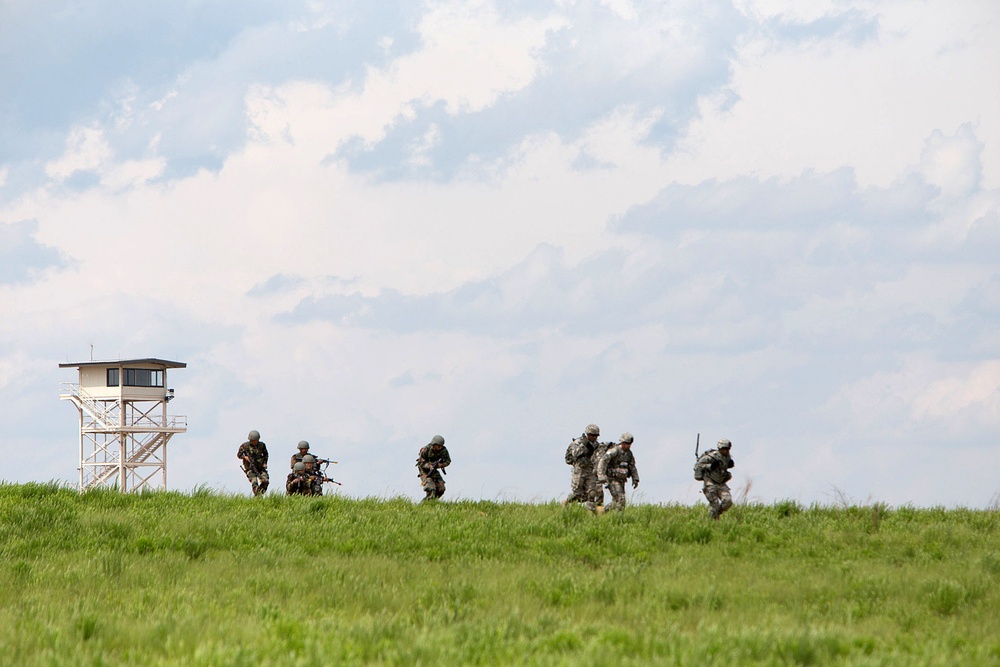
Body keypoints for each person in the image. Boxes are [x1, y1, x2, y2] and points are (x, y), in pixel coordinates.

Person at [597, 433, 639, 512]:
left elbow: (632, 466)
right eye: (626, 444)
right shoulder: (614, 451)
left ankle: (603, 512)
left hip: (621, 479)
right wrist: (601, 475)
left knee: (617, 501)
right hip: (612, 479)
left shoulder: (629, 454)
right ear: (622, 443)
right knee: (620, 499)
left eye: (629, 444)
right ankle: (617, 516)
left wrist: (635, 478)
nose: (628, 446)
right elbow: (603, 461)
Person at [563, 423, 600, 511]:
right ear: (587, 434)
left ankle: (591, 514)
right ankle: (566, 503)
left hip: (590, 470)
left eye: (596, 436)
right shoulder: (578, 442)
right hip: (579, 470)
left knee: (592, 493)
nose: (594, 437)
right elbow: (575, 454)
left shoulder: (596, 445)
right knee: (577, 494)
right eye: (592, 435)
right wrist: (584, 445)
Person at [695, 438, 735, 519]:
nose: (727, 451)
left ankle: (716, 515)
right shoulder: (711, 457)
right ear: (720, 449)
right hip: (710, 483)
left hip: (721, 482)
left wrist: (729, 465)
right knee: (715, 505)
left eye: (728, 449)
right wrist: (710, 466)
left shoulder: (727, 457)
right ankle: (710, 522)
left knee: (728, 502)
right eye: (725, 449)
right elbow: (698, 465)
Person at [416, 435, 451, 501]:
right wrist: (429, 466)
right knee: (430, 488)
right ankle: (427, 503)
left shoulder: (443, 450)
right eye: (438, 446)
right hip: (425, 471)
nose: (440, 447)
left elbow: (448, 461)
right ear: (434, 444)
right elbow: (420, 463)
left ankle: (432, 501)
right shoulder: (425, 450)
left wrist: (441, 465)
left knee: (441, 489)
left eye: (441, 446)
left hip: (434, 470)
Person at [237, 429, 269, 496]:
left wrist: (264, 463)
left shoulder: (262, 445)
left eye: (256, 440)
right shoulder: (245, 446)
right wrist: (245, 457)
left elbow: (266, 454)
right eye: (253, 440)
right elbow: (239, 455)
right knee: (254, 482)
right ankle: (258, 496)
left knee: (265, 481)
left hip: (260, 468)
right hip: (250, 468)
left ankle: (258, 495)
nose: (255, 442)